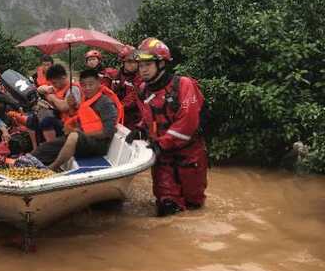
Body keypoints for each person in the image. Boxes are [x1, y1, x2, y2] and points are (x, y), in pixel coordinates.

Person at [125, 38, 209, 217]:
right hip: (163, 157)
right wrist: (140, 129)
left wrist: (161, 144)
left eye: (148, 64)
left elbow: (187, 123)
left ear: (161, 63)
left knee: (194, 207)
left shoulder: (183, 85)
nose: (143, 69)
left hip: (189, 155)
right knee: (167, 207)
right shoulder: (142, 90)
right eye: (140, 65)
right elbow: (149, 118)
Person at [32, 68, 120, 170]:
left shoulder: (106, 103)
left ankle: (53, 168)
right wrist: (72, 106)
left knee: (73, 136)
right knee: (46, 148)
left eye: (91, 84)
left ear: (98, 83)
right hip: (83, 139)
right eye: (83, 85)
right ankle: (30, 160)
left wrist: (78, 132)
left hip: (99, 145)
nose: (87, 88)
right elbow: (80, 119)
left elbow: (107, 132)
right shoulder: (85, 100)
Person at [35, 64, 81, 141]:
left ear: (63, 78)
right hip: (62, 119)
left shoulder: (73, 89)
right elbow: (39, 89)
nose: (53, 85)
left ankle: (52, 146)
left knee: (46, 121)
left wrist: (52, 98)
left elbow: (64, 107)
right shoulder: (58, 86)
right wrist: (46, 89)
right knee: (33, 119)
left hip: (72, 124)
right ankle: (36, 145)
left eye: (54, 82)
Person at [104, 45, 142, 130]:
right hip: (115, 115)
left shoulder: (139, 79)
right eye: (129, 61)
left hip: (132, 120)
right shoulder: (115, 75)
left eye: (135, 62)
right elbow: (107, 91)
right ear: (123, 62)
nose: (133, 64)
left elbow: (133, 98)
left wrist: (115, 108)